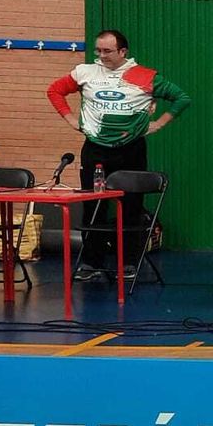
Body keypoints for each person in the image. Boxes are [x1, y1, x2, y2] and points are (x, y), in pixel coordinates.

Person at [46, 29, 191, 281]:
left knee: (132, 206)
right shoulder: (85, 72)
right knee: (93, 205)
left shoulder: (144, 76)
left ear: (123, 51)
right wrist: (70, 119)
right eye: (98, 50)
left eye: (108, 51)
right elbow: (54, 90)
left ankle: (129, 262)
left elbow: (181, 97)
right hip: (95, 149)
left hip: (131, 148)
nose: (102, 55)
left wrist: (159, 124)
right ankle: (91, 263)